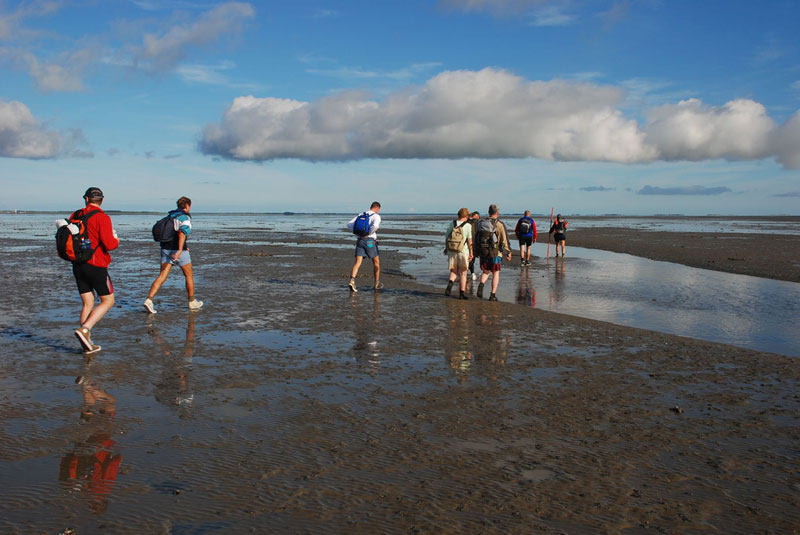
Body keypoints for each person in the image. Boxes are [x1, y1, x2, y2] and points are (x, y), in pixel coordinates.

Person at [70, 187, 119, 354]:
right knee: (108, 301)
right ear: (102, 201)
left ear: (86, 199)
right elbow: (110, 244)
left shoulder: (75, 215)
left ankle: (88, 342)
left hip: (77, 264)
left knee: (88, 302)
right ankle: (85, 330)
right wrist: (116, 239)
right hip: (97, 265)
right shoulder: (103, 218)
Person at [143, 197, 203, 313]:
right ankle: (192, 301)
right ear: (187, 206)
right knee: (189, 275)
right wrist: (180, 250)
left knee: (162, 276)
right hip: (178, 251)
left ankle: (149, 299)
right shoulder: (184, 217)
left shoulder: (170, 216)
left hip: (165, 249)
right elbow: (182, 233)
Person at [476, 204, 512, 301]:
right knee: (496, 273)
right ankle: (492, 295)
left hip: (483, 251)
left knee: (486, 271)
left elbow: (476, 237)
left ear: (489, 212)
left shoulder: (481, 223)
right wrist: (509, 252)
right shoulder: (499, 224)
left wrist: (475, 252)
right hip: (495, 253)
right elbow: (505, 240)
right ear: (497, 212)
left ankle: (481, 284)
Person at [347, 201, 382, 292]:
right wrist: (368, 233)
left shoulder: (361, 214)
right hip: (369, 241)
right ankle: (376, 283)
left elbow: (349, 224)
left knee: (358, 262)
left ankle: (352, 280)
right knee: (376, 262)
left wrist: (359, 233)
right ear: (377, 208)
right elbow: (375, 226)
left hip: (360, 240)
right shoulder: (376, 216)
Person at [444, 208, 474, 300]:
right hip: (463, 251)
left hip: (452, 250)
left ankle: (450, 284)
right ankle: (461, 294)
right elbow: (469, 241)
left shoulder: (452, 223)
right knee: (463, 273)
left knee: (453, 271)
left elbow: (447, 237)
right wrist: (471, 253)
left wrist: (446, 248)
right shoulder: (468, 226)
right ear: (466, 216)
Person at [468, 211, 480, 281]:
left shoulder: (468, 222)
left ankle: (472, 273)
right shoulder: (478, 223)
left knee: (470, 259)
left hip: (471, 243)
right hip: (474, 244)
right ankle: (472, 273)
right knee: (472, 259)